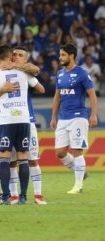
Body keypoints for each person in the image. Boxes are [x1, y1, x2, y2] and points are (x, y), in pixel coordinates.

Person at [0, 44, 39, 205]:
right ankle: (23, 197)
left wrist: (0, 90)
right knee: (22, 157)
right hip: (23, 120)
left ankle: (6, 196)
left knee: (5, 157)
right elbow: (37, 71)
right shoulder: (24, 71)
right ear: (10, 55)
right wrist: (4, 88)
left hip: (7, 120)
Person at [50, 43, 97, 194]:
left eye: (63, 55)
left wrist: (93, 114)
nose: (60, 57)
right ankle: (81, 172)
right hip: (63, 118)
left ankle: (78, 185)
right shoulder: (60, 74)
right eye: (60, 55)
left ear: (71, 56)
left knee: (77, 150)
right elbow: (57, 97)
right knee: (60, 152)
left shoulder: (82, 73)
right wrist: (53, 117)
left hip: (78, 116)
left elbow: (91, 94)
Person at [5, 46, 47, 205]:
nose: (15, 56)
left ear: (25, 59)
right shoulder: (3, 72)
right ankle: (14, 195)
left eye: (20, 55)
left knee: (32, 160)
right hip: (9, 122)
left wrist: (18, 67)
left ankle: (38, 195)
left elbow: (41, 88)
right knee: (11, 161)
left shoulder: (26, 73)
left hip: (27, 122)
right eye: (14, 54)